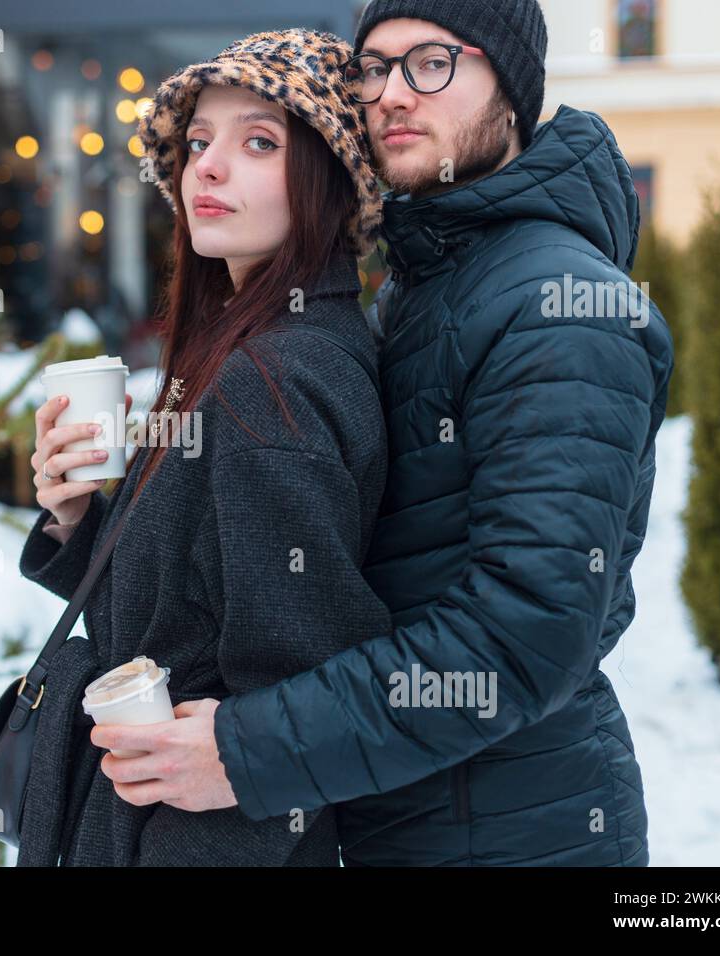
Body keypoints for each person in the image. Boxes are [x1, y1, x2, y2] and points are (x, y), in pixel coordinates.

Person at [93, 0, 673, 866]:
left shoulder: (560, 311)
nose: (393, 94)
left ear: (512, 93)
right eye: (374, 67)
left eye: (431, 63)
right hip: (404, 813)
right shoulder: (428, 281)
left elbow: (522, 638)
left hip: (513, 830)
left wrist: (250, 752)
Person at [15, 28, 389, 865]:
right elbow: (176, 612)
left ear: (327, 179)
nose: (208, 168)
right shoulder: (241, 346)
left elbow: (286, 708)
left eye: (259, 142)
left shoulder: (278, 377)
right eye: (198, 142)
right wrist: (78, 519)